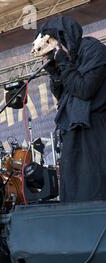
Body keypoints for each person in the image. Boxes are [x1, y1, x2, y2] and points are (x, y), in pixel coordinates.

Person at [38, 16, 106, 202]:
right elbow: (63, 97)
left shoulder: (93, 50)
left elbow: (84, 90)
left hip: (94, 130)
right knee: (73, 190)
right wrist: (54, 72)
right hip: (72, 133)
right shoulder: (67, 60)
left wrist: (63, 62)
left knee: (94, 188)